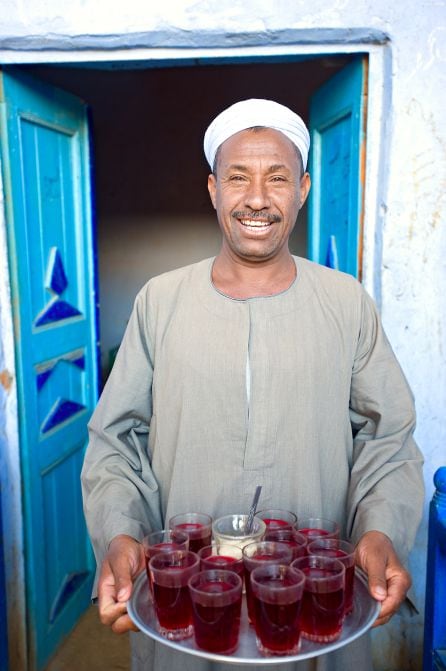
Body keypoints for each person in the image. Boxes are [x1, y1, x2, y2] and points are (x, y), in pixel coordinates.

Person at [81, 98, 424, 671]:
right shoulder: (160, 302)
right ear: (213, 189)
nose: (258, 198)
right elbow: (116, 440)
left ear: (304, 189)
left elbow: (388, 438)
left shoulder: (346, 304)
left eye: (278, 178)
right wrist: (119, 535)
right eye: (238, 177)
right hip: (183, 608)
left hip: (317, 603)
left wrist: (380, 529)